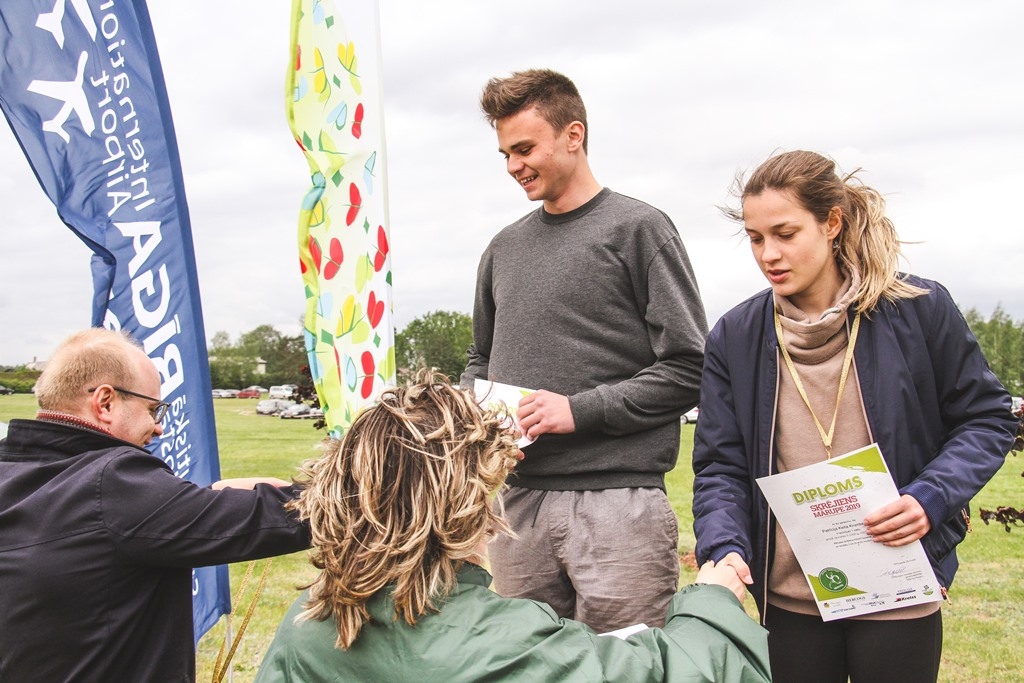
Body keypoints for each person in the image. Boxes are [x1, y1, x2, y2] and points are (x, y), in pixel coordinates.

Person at [691, 150, 1017, 683]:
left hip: (900, 589)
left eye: (785, 233)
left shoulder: (918, 308)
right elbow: (720, 467)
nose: (768, 253)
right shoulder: (735, 335)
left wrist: (929, 498)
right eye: (755, 238)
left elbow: (987, 419)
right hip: (790, 601)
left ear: (832, 223)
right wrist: (725, 547)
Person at [255, 371, 770, 683]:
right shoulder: (504, 646)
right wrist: (710, 602)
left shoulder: (306, 624)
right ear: (467, 503)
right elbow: (677, 671)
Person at [460, 68, 708, 632]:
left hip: (618, 504)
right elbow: (480, 360)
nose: (513, 166)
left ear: (574, 135)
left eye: (524, 148)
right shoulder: (502, 249)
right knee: (528, 670)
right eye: (503, 154)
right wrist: (477, 408)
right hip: (517, 507)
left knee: (626, 665)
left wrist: (577, 410)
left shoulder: (640, 229)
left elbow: (690, 366)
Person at [0, 328, 311, 682]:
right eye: (152, 409)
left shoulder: (14, 473)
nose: (158, 427)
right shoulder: (112, 482)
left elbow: (92, 537)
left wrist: (203, 498)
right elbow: (270, 516)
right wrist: (363, 490)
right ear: (105, 402)